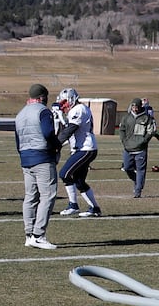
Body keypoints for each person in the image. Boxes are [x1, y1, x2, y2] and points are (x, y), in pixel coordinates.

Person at [15, 84, 59, 250]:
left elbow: (18, 141)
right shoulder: (43, 111)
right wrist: (57, 146)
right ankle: (38, 235)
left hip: (26, 157)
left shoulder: (20, 114)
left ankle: (29, 234)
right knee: (47, 195)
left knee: (30, 196)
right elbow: (48, 133)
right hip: (42, 156)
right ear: (42, 97)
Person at [56, 87, 102, 217]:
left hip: (86, 149)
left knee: (65, 174)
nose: (62, 106)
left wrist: (56, 144)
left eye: (64, 102)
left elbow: (71, 129)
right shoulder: (77, 110)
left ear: (71, 99)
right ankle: (94, 208)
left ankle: (73, 205)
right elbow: (71, 132)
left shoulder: (78, 109)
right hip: (83, 148)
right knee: (79, 181)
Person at [119, 97, 157, 196]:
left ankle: (138, 190)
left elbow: (151, 131)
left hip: (141, 148)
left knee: (141, 170)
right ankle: (137, 181)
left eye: (136, 106)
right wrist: (124, 140)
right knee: (127, 168)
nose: (134, 108)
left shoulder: (146, 118)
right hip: (128, 148)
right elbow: (122, 129)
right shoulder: (126, 118)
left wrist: (144, 141)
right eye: (133, 106)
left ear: (140, 107)